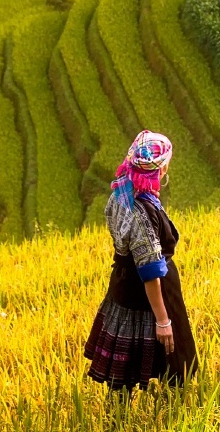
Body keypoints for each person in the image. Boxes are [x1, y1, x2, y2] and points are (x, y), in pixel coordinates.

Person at [84, 130, 196, 389]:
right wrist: (163, 320)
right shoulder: (140, 212)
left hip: (122, 287)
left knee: (123, 371)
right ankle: (172, 416)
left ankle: (119, 416)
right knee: (177, 364)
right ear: (162, 168)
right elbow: (150, 271)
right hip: (147, 293)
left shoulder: (120, 193)